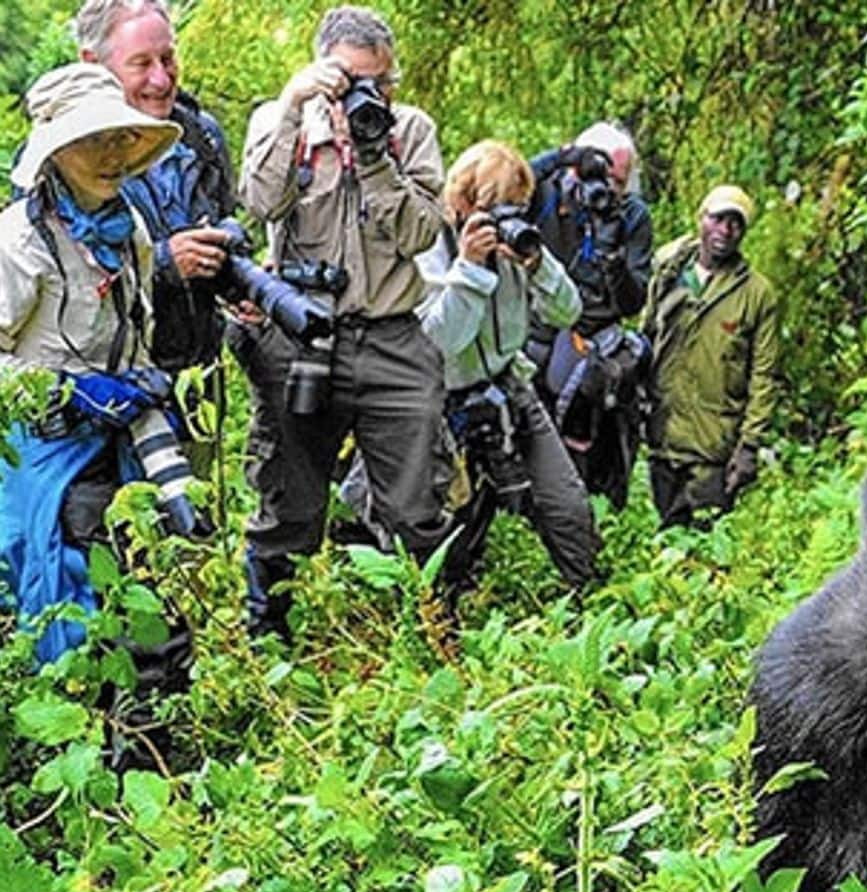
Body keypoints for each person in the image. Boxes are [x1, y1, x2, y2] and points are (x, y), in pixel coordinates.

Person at [238, 5, 448, 641]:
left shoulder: (410, 131)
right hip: (306, 334)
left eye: (382, 82)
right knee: (290, 504)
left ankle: (430, 630)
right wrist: (293, 103)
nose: (370, 94)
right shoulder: (285, 125)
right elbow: (258, 202)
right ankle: (268, 639)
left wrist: (375, 155)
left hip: (391, 334)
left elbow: (420, 232)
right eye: (353, 80)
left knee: (417, 505)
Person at [0, 63, 197, 685]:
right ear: (57, 152)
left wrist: (145, 385)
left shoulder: (128, 228)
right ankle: (93, 723)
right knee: (73, 589)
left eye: (119, 137)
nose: (112, 155)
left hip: (123, 438)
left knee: (154, 565)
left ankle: (154, 719)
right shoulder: (19, 242)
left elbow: (131, 331)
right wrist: (64, 390)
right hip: (46, 447)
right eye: (93, 140)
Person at [415, 140, 601, 591]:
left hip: (508, 387)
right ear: (462, 201)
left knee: (566, 504)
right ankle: (444, 618)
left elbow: (568, 312)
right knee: (451, 524)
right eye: (496, 209)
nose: (507, 221)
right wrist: (471, 269)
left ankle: (591, 598)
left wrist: (538, 266)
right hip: (445, 401)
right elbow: (441, 342)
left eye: (517, 208)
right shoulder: (428, 244)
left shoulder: (517, 244)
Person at [74, 0, 238, 379]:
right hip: (108, 387)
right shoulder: (65, 156)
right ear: (92, 62)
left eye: (167, 58)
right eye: (141, 63)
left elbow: (223, 213)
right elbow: (58, 291)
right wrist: (162, 263)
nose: (162, 80)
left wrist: (234, 276)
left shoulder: (201, 135)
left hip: (197, 378)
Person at [524, 122, 654, 507]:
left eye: (617, 180)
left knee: (591, 456)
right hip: (534, 336)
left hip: (594, 345)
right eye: (598, 174)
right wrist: (560, 158)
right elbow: (493, 192)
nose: (606, 189)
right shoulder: (545, 193)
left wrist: (612, 256)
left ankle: (588, 513)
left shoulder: (630, 215)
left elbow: (633, 302)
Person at [642, 185, 781, 528]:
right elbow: (646, 337)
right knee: (667, 539)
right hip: (663, 439)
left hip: (714, 449)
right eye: (718, 219)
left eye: (735, 223)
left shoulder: (757, 294)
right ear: (701, 219)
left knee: (706, 548)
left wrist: (749, 446)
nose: (725, 231)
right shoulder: (668, 272)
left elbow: (765, 376)